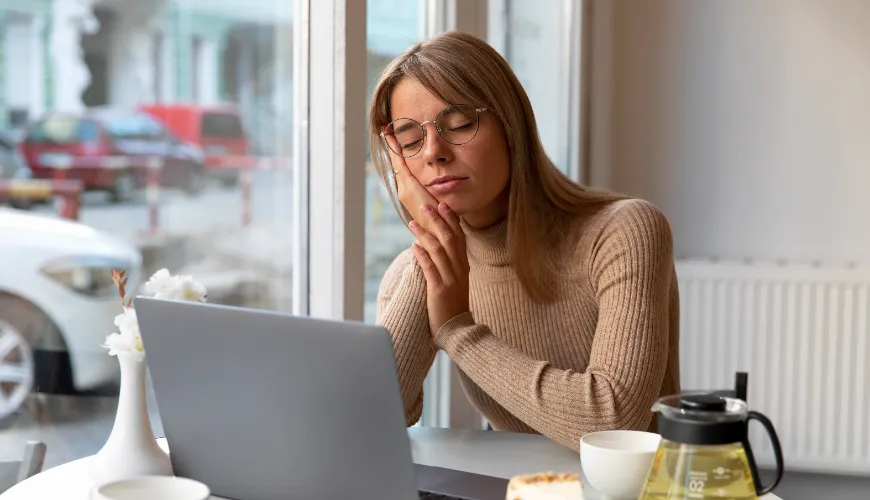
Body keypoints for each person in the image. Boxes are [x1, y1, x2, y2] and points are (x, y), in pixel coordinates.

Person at [369, 31, 680, 451]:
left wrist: (457, 331)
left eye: (459, 123)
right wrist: (430, 232)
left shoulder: (623, 232)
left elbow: (614, 420)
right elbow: (373, 417)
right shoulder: (419, 271)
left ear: (511, 125)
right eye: (410, 140)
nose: (433, 153)